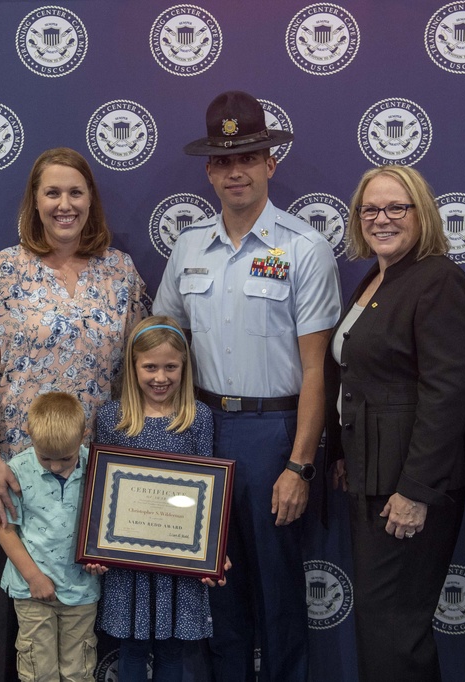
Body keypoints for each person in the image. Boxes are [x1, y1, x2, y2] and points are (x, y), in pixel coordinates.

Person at [153, 91, 341, 681]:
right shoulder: (188, 247)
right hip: (202, 430)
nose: (236, 171)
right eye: (224, 160)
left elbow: (318, 370)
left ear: (270, 164)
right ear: (209, 170)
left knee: (280, 592)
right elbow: (160, 341)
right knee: (216, 584)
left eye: (249, 157)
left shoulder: (303, 248)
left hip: (274, 433)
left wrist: (300, 465)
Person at [0, 147, 147, 680]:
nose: (64, 204)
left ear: (91, 200)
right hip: (16, 467)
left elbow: (137, 368)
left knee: (77, 605)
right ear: (35, 201)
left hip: (89, 470)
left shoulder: (120, 271)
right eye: (52, 193)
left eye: (75, 192)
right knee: (10, 599)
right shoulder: (4, 269)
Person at [324, 166, 465, 681]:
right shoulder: (378, 276)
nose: (381, 219)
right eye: (370, 209)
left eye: (396, 208)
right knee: (381, 626)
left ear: (422, 213)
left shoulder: (439, 280)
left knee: (396, 632)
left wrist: (416, 490)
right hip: (372, 480)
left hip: (406, 491)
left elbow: (447, 394)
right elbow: (365, 377)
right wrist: (345, 456)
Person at [94, 315, 231, 682]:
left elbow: (210, 490)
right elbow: (99, 491)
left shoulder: (197, 418)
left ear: (184, 368)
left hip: (179, 562)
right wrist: (95, 549)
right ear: (133, 366)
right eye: (150, 367)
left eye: (171, 367)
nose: (161, 377)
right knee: (133, 648)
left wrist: (213, 550)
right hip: (127, 561)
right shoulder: (112, 419)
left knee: (172, 648)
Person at [0, 391, 100, 682]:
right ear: (29, 436)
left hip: (81, 590)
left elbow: (106, 530)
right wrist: (33, 577)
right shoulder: (17, 470)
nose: (55, 466)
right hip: (32, 591)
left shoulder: (98, 466)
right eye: (46, 458)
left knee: (79, 670)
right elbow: (6, 529)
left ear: (83, 435)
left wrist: (100, 559)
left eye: (65, 459)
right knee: (37, 672)